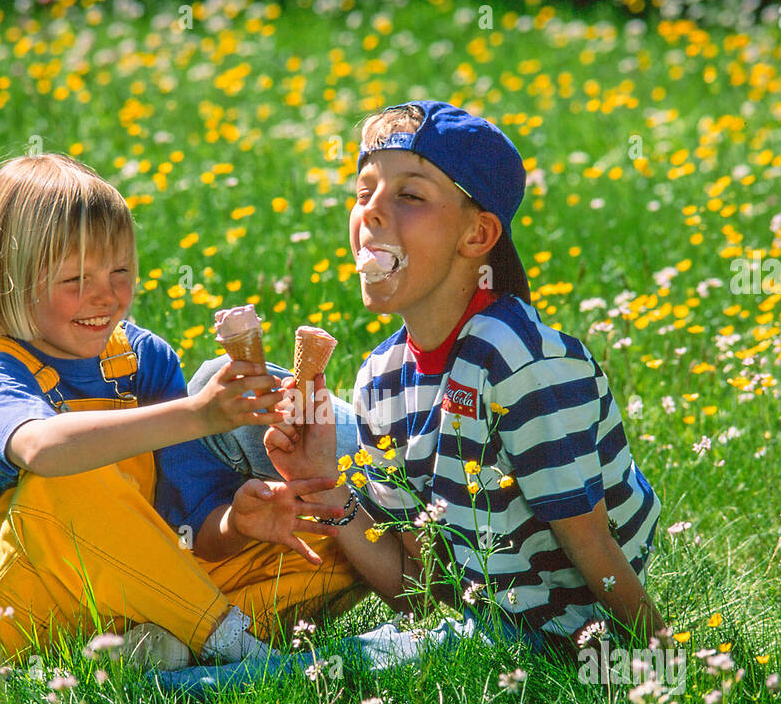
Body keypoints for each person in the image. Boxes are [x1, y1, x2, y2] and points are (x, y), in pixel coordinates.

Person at [261, 100, 668, 664]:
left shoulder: (518, 360)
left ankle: (174, 677)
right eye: (363, 192)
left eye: (411, 195)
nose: (372, 213)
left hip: (552, 639)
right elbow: (423, 591)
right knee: (224, 390)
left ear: (477, 236)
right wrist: (324, 488)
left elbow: (590, 541)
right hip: (474, 623)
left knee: (306, 673)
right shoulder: (379, 380)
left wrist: (662, 661)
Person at [0, 153, 362, 669]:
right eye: (76, 280)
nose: (107, 295)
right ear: (11, 280)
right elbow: (44, 448)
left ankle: (154, 649)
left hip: (141, 588)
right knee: (69, 477)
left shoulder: (144, 360)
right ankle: (231, 648)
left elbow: (186, 522)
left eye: (120, 270)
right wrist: (199, 415)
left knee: (341, 543)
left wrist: (238, 523)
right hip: (27, 612)